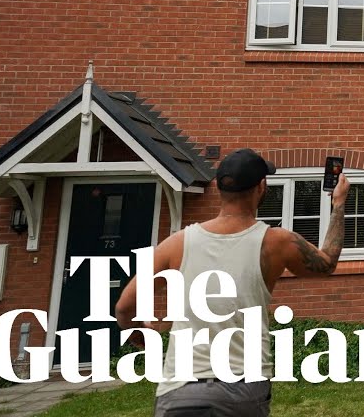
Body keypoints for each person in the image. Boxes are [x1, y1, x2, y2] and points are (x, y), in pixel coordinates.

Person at [114, 148, 350, 417]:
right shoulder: (276, 243)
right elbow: (327, 263)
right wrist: (339, 203)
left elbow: (125, 307)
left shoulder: (177, 244)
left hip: (181, 391)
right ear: (261, 187)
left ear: (218, 187)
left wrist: (140, 334)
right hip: (244, 390)